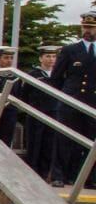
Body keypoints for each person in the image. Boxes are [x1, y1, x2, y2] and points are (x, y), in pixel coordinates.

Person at [51, 10, 96, 188]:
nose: (88, 31)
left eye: (92, 28)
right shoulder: (70, 50)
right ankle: (58, 175)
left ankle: (90, 178)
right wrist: (65, 95)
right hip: (72, 100)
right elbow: (56, 77)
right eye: (85, 27)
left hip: (93, 102)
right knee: (64, 138)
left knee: (91, 141)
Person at [25, 45, 63, 184]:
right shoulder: (34, 74)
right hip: (37, 111)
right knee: (35, 143)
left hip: (54, 112)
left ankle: (45, 172)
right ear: (41, 58)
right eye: (48, 56)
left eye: (53, 56)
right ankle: (33, 171)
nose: (51, 59)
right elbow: (25, 93)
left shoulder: (59, 75)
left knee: (50, 143)